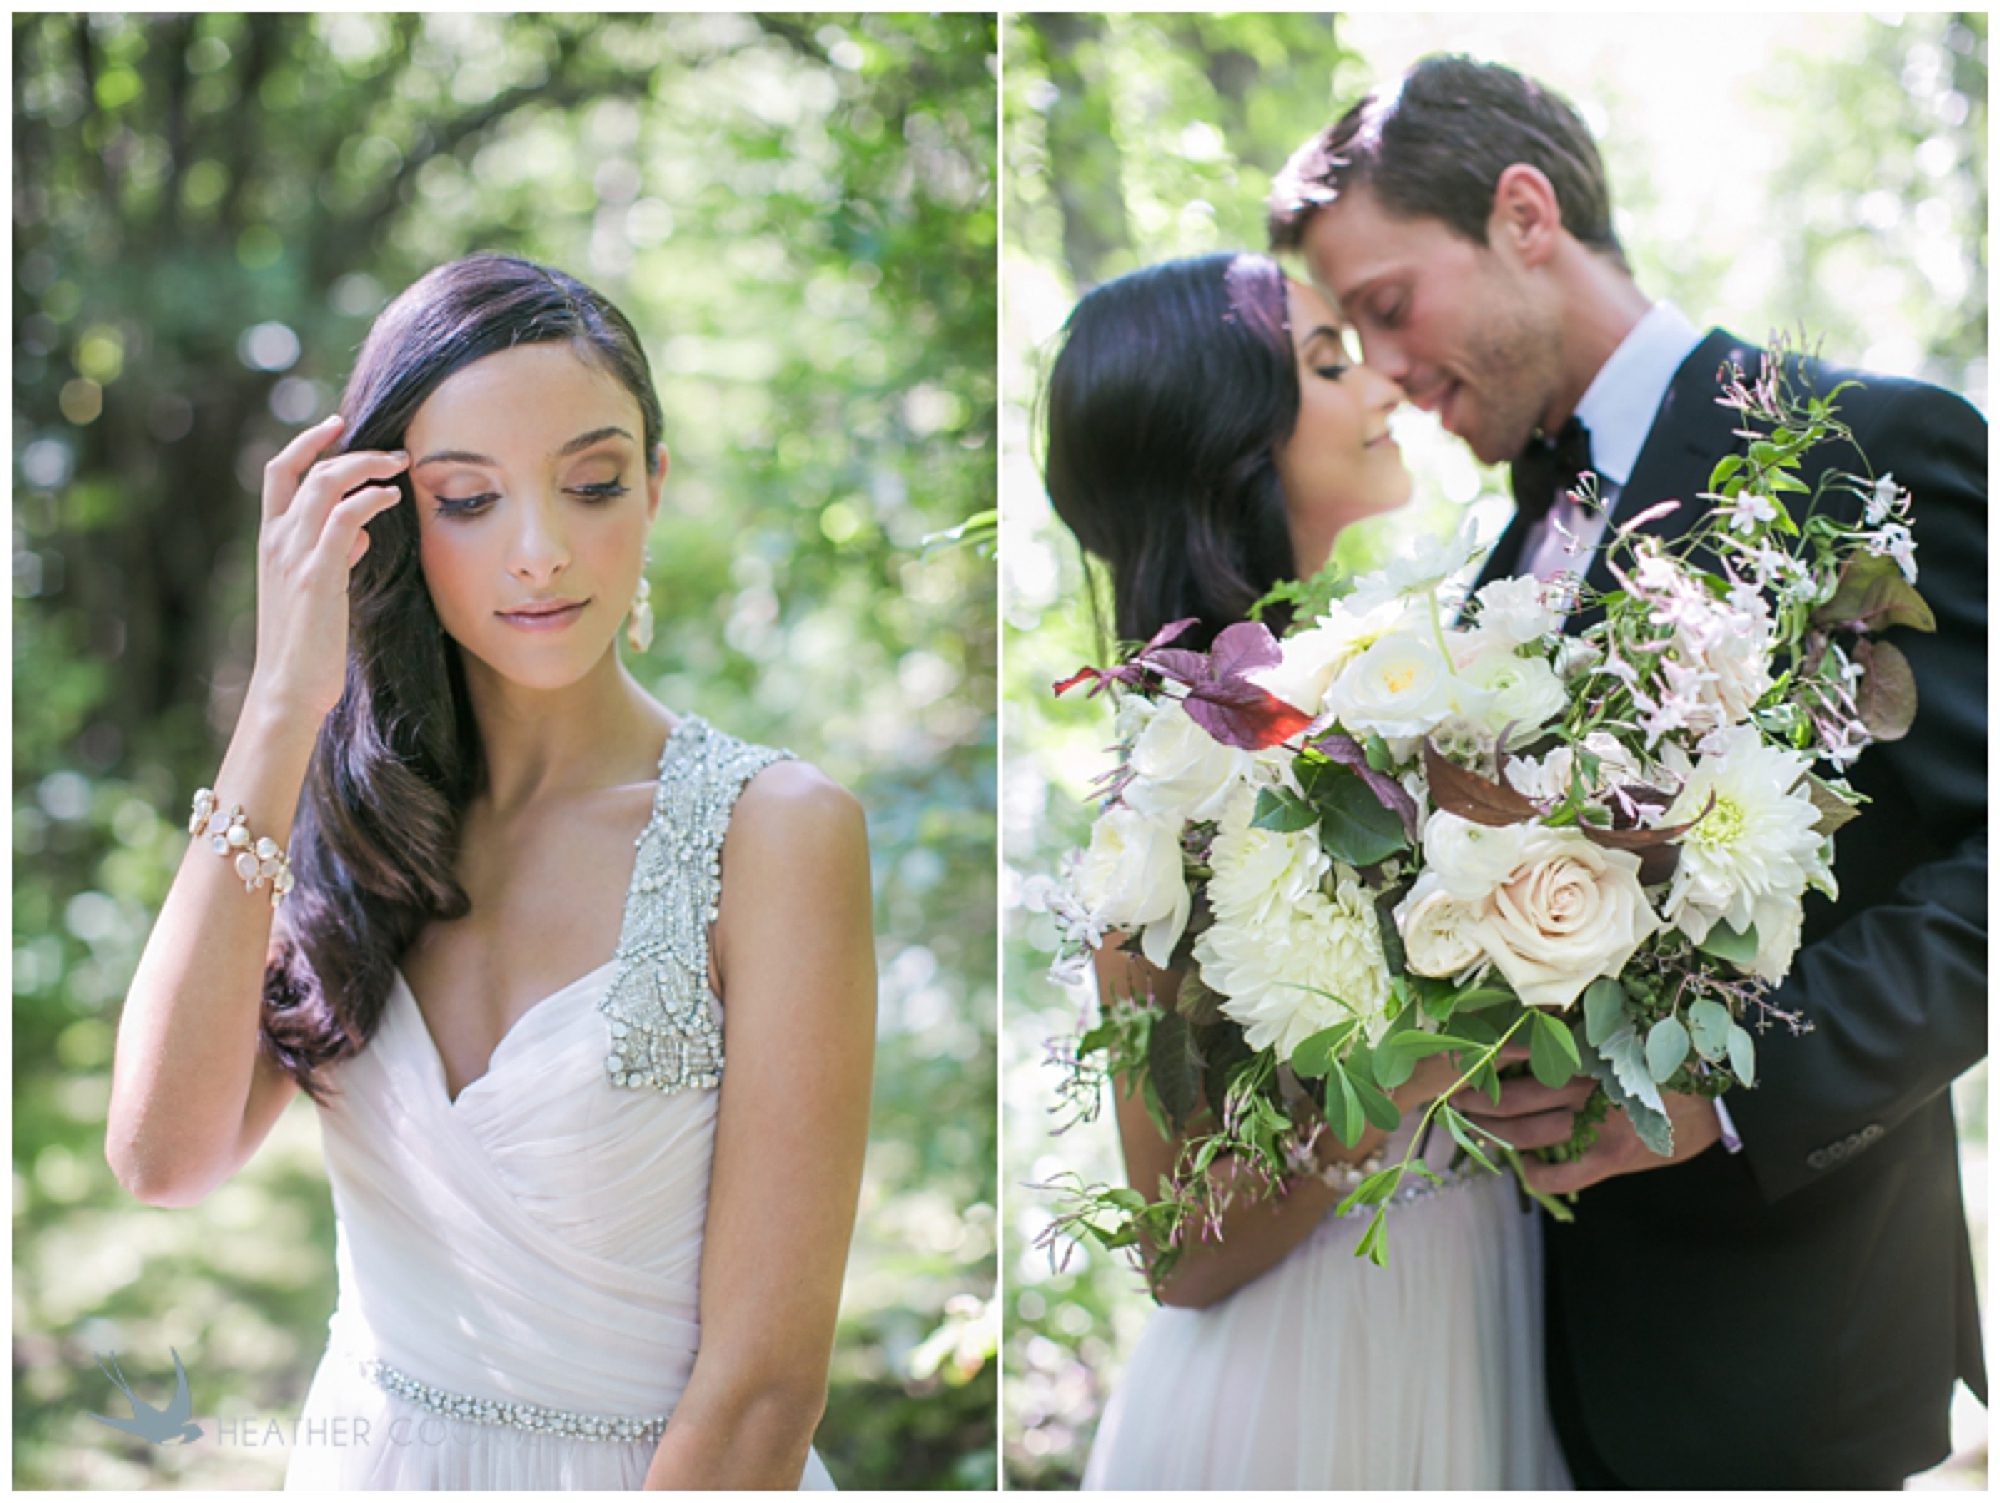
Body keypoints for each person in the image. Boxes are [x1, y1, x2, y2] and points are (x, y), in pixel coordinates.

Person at [1269, 54, 1987, 1489]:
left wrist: (1725, 1087)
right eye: (1350, 337)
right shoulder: (1496, 571)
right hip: (1547, 1376)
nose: (1392, 374)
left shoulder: (1869, 446)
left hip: (1795, 1352)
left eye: (1391, 308)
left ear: (1525, 214)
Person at [104, 254, 877, 1489]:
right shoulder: (351, 809)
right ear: (390, 519)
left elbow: (763, 1395)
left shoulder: (776, 833)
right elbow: (162, 1158)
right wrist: (281, 706)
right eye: (467, 499)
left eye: (591, 485)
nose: (539, 552)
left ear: (653, 487)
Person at [1041, 250, 1572, 1489]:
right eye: (1328, 363)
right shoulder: (1167, 784)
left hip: (1474, 1322)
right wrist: (1422, 1055)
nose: (1383, 380)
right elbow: (1176, 1251)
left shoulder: (1412, 684)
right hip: (1310, 1384)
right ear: (1231, 442)